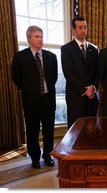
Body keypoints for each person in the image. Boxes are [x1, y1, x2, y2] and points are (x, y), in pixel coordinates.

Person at [12, 25, 58, 169]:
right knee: (32, 131)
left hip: (48, 99)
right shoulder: (20, 57)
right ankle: (35, 158)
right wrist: (29, 90)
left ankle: (47, 155)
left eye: (41, 36)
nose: (40, 39)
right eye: (37, 36)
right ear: (29, 38)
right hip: (31, 101)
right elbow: (16, 79)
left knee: (48, 130)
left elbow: (54, 77)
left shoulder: (51, 57)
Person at [61, 16, 99, 128]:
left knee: (92, 132)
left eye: (85, 27)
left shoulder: (94, 49)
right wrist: (84, 90)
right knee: (75, 132)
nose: (83, 30)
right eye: (80, 27)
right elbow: (68, 73)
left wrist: (93, 88)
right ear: (73, 30)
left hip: (92, 98)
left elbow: (98, 72)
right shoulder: (66, 49)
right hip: (76, 98)